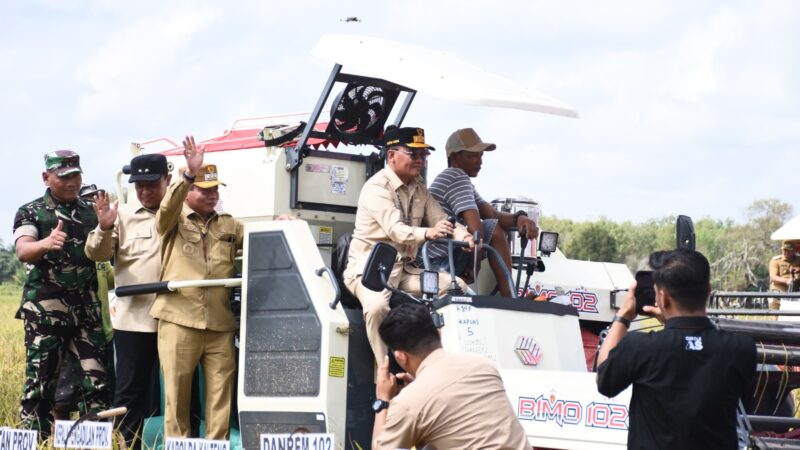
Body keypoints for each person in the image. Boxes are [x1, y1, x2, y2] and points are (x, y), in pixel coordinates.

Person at [596, 249, 756, 450]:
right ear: (708, 290)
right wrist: (674, 324)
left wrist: (623, 317)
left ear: (662, 298)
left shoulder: (640, 347)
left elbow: (604, 380)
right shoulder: (741, 349)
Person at [343, 126, 474, 364]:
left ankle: (444, 365)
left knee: (458, 288)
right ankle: (384, 372)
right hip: (370, 271)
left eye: (424, 155)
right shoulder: (376, 188)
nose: (421, 161)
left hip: (405, 270)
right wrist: (430, 233)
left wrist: (464, 236)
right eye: (414, 154)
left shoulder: (419, 187)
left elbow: (441, 219)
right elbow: (397, 231)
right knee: (376, 307)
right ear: (392, 155)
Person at [148, 136, 242, 439]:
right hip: (179, 319)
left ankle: (217, 446)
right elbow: (166, 209)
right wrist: (188, 175)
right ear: (189, 193)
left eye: (216, 189)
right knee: (176, 398)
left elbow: (261, 241)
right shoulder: (172, 220)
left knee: (221, 399)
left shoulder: (229, 224)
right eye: (205, 190)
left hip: (219, 323)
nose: (213, 195)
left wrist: (284, 222)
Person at [12, 150, 110, 438]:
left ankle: (93, 442)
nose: (72, 182)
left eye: (76, 175)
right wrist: (46, 242)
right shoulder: (31, 211)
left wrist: (105, 226)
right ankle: (35, 441)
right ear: (47, 177)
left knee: (97, 383)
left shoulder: (91, 211)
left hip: (86, 313)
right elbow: (23, 250)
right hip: (46, 314)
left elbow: (106, 250)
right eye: (64, 176)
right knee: (40, 384)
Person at [85, 154, 171, 449]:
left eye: (151, 185)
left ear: (167, 181)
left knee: (181, 393)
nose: (144, 192)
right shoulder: (120, 214)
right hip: (135, 320)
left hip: (178, 319)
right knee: (130, 394)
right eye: (139, 186)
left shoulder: (183, 211)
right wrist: (104, 227)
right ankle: (126, 446)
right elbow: (96, 254)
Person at [372, 302, 531, 450]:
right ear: (439, 334)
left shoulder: (409, 402)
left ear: (400, 356)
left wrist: (383, 400)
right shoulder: (483, 365)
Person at [427, 128, 539, 297]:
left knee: (494, 227)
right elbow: (476, 229)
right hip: (438, 262)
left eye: (481, 155)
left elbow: (493, 215)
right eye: (473, 155)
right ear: (455, 157)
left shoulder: (460, 181)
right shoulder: (456, 177)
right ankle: (510, 297)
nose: (479, 161)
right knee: (493, 229)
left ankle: (509, 295)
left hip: (443, 256)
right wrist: (474, 267)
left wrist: (520, 218)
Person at [768, 241, 800, 309]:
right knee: (775, 315)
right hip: (778, 292)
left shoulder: (798, 260)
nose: (786, 252)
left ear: (794, 251)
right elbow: (773, 277)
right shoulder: (776, 261)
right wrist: (786, 281)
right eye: (785, 250)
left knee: (793, 316)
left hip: (794, 293)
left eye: (789, 250)